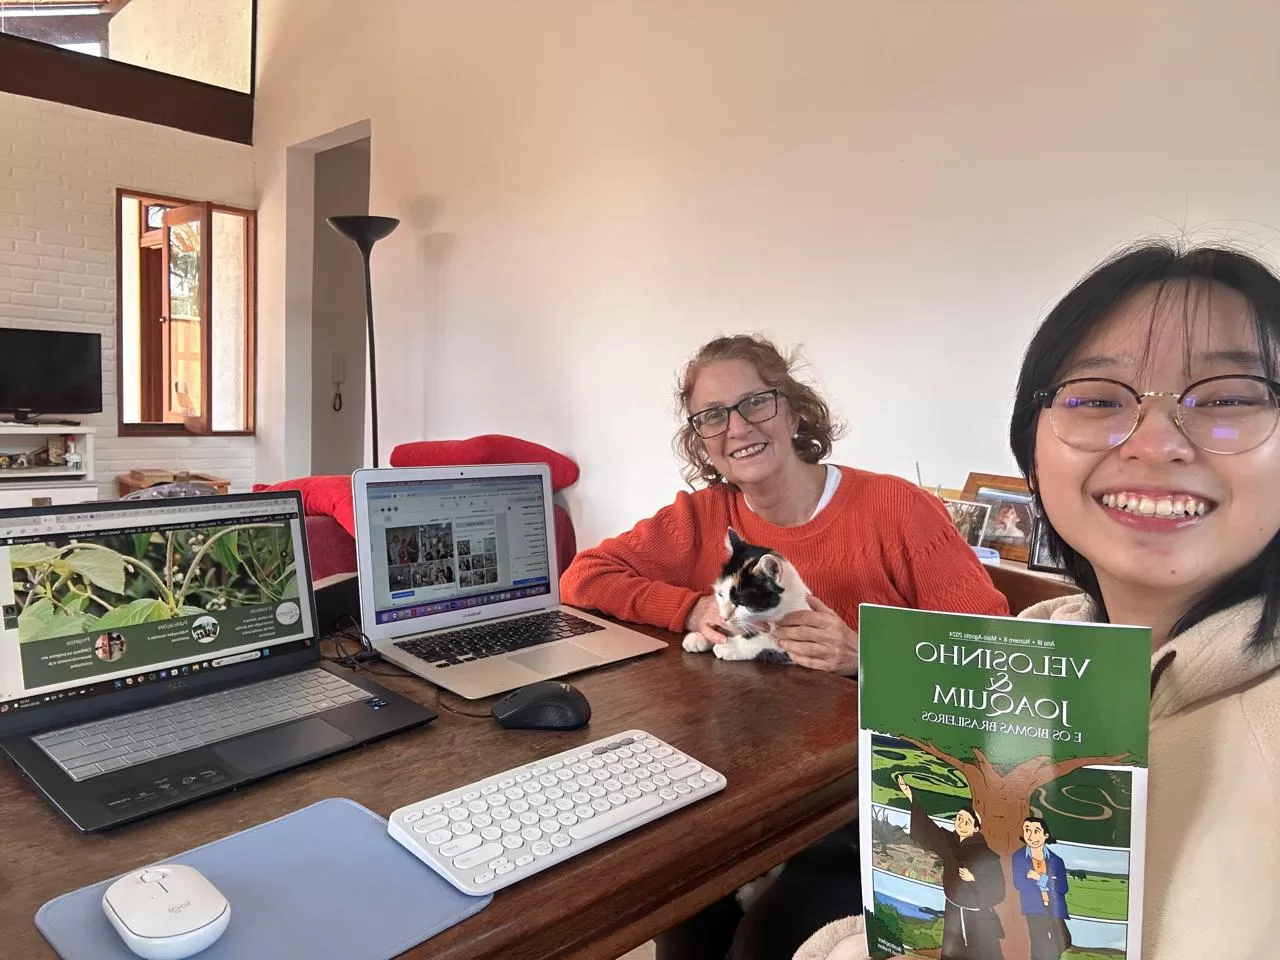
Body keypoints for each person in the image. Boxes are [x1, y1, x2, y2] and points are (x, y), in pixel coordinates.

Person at [796, 242, 1280, 960]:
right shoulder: (1026, 660)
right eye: (1097, 399)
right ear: (1033, 450)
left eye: (1229, 397)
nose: (1156, 441)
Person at [561, 334, 1008, 960]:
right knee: (681, 911)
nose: (736, 426)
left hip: (869, 791)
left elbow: (993, 651)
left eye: (755, 404)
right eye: (712, 416)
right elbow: (583, 576)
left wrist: (864, 654)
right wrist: (689, 605)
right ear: (701, 439)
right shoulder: (700, 517)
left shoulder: (896, 508)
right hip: (743, 779)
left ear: (795, 412)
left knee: (764, 940)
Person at [896, 777, 1006, 960]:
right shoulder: (949, 842)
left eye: (967, 821)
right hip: (953, 909)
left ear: (975, 829)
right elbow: (929, 830)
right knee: (952, 950)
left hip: (976, 916)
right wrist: (910, 796)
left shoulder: (986, 855)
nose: (961, 823)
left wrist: (974, 878)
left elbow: (998, 889)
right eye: (959, 818)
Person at [1010, 817, 1070, 960]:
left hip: (1055, 907)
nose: (1031, 836)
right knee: (1039, 944)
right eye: (1027, 830)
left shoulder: (1056, 861)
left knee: (1063, 941)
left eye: (1036, 831)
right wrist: (1050, 882)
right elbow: (1020, 883)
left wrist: (1039, 878)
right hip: (1034, 907)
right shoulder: (1019, 857)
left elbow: (1062, 887)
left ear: (1045, 835)